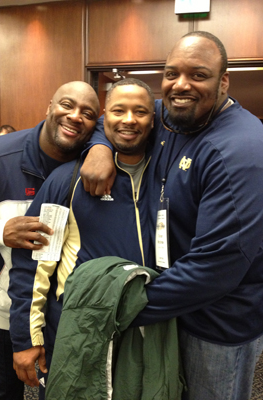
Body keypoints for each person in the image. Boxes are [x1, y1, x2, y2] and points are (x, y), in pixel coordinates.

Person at [80, 31, 263, 400]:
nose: (180, 85)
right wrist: (100, 148)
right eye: (171, 74)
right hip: (174, 303)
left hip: (219, 322)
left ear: (223, 82)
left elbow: (214, 270)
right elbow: (122, 121)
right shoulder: (170, 112)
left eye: (198, 75)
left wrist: (120, 308)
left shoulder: (239, 152)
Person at [9, 78, 160, 399]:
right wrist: (27, 337)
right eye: (119, 110)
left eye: (140, 112)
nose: (129, 120)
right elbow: (34, 263)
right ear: (107, 116)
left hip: (146, 329)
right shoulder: (66, 180)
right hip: (74, 329)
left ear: (153, 118)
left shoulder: (167, 176)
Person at [0, 81, 99, 400]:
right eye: (67, 105)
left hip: (61, 318)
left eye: (87, 113)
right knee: (1, 393)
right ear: (49, 106)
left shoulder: (94, 166)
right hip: (0, 312)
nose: (75, 116)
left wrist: (103, 148)